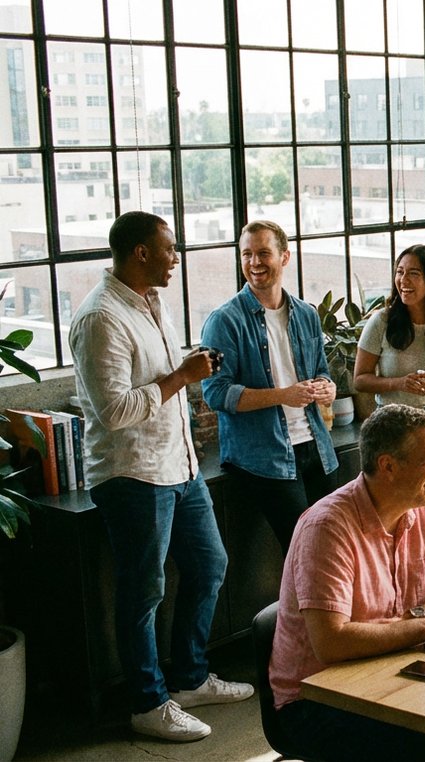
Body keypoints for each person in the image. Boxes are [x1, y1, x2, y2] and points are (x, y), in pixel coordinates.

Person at [70, 211, 253, 742]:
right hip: (132, 476)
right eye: (169, 249)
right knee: (143, 591)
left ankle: (191, 677)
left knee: (210, 565)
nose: (177, 257)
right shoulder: (101, 317)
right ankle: (147, 702)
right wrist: (182, 376)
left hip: (180, 466)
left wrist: (188, 363)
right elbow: (115, 411)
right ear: (141, 253)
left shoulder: (152, 303)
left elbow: (157, 376)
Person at [271, 404, 425, 761]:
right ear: (388, 466)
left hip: (394, 666)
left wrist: (418, 617)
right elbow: (331, 642)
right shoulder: (328, 527)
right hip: (318, 699)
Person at [201, 220, 339, 553]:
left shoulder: (306, 314)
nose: (254, 263)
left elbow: (322, 371)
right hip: (264, 457)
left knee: (338, 545)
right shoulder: (224, 321)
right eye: (246, 254)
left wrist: (327, 388)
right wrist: (283, 396)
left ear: (285, 257)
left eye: (263, 253)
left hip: (317, 448)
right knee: (306, 553)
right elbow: (215, 393)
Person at [354, 244, 425, 513]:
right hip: (393, 423)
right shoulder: (381, 321)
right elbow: (360, 379)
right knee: (391, 503)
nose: (403, 281)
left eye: (413, 274)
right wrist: (400, 383)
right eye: (399, 272)